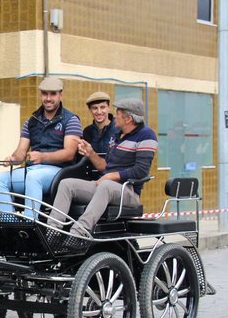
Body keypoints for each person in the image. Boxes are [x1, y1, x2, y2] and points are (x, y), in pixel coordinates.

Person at [47, 98, 157, 237]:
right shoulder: (118, 136)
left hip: (128, 191)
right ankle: (52, 231)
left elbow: (141, 171)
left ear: (128, 118)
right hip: (106, 186)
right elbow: (106, 167)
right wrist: (91, 153)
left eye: (118, 113)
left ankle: (79, 233)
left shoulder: (146, 135)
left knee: (106, 186)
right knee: (66, 184)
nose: (115, 116)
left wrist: (110, 176)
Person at [0, 76, 82, 218]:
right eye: (45, 93)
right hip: (33, 169)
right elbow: (21, 152)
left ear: (60, 95)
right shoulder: (31, 121)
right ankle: (10, 226)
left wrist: (42, 157)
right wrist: (13, 159)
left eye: (53, 94)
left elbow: (69, 153)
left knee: (33, 177)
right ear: (40, 95)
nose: (48, 98)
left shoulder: (71, 120)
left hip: (60, 172)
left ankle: (30, 224)